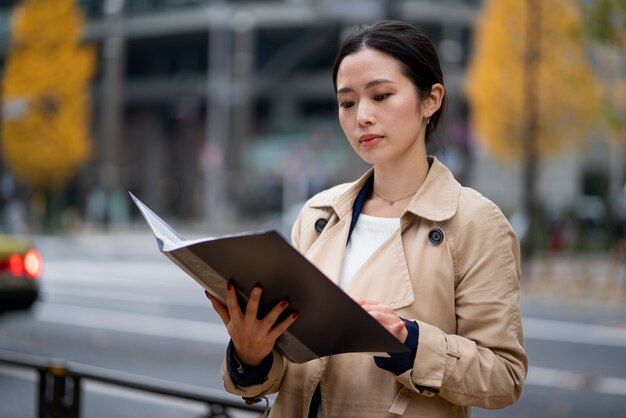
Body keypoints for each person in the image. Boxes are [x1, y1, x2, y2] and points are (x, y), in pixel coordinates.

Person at [205, 20, 527, 418]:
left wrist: (411, 344)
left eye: (381, 95)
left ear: (431, 100)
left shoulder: (475, 222)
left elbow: (504, 376)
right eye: (347, 102)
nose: (362, 117)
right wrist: (251, 355)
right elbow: (291, 371)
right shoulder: (318, 215)